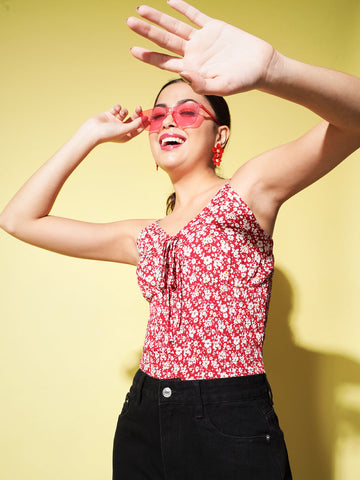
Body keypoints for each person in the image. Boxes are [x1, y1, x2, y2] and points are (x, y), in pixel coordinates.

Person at [1, 0, 359, 478]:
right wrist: (88, 135)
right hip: (145, 414)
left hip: (228, 414)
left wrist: (274, 70)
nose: (168, 122)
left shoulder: (249, 190)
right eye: (158, 115)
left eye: (188, 112)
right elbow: (19, 219)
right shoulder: (144, 237)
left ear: (220, 136)